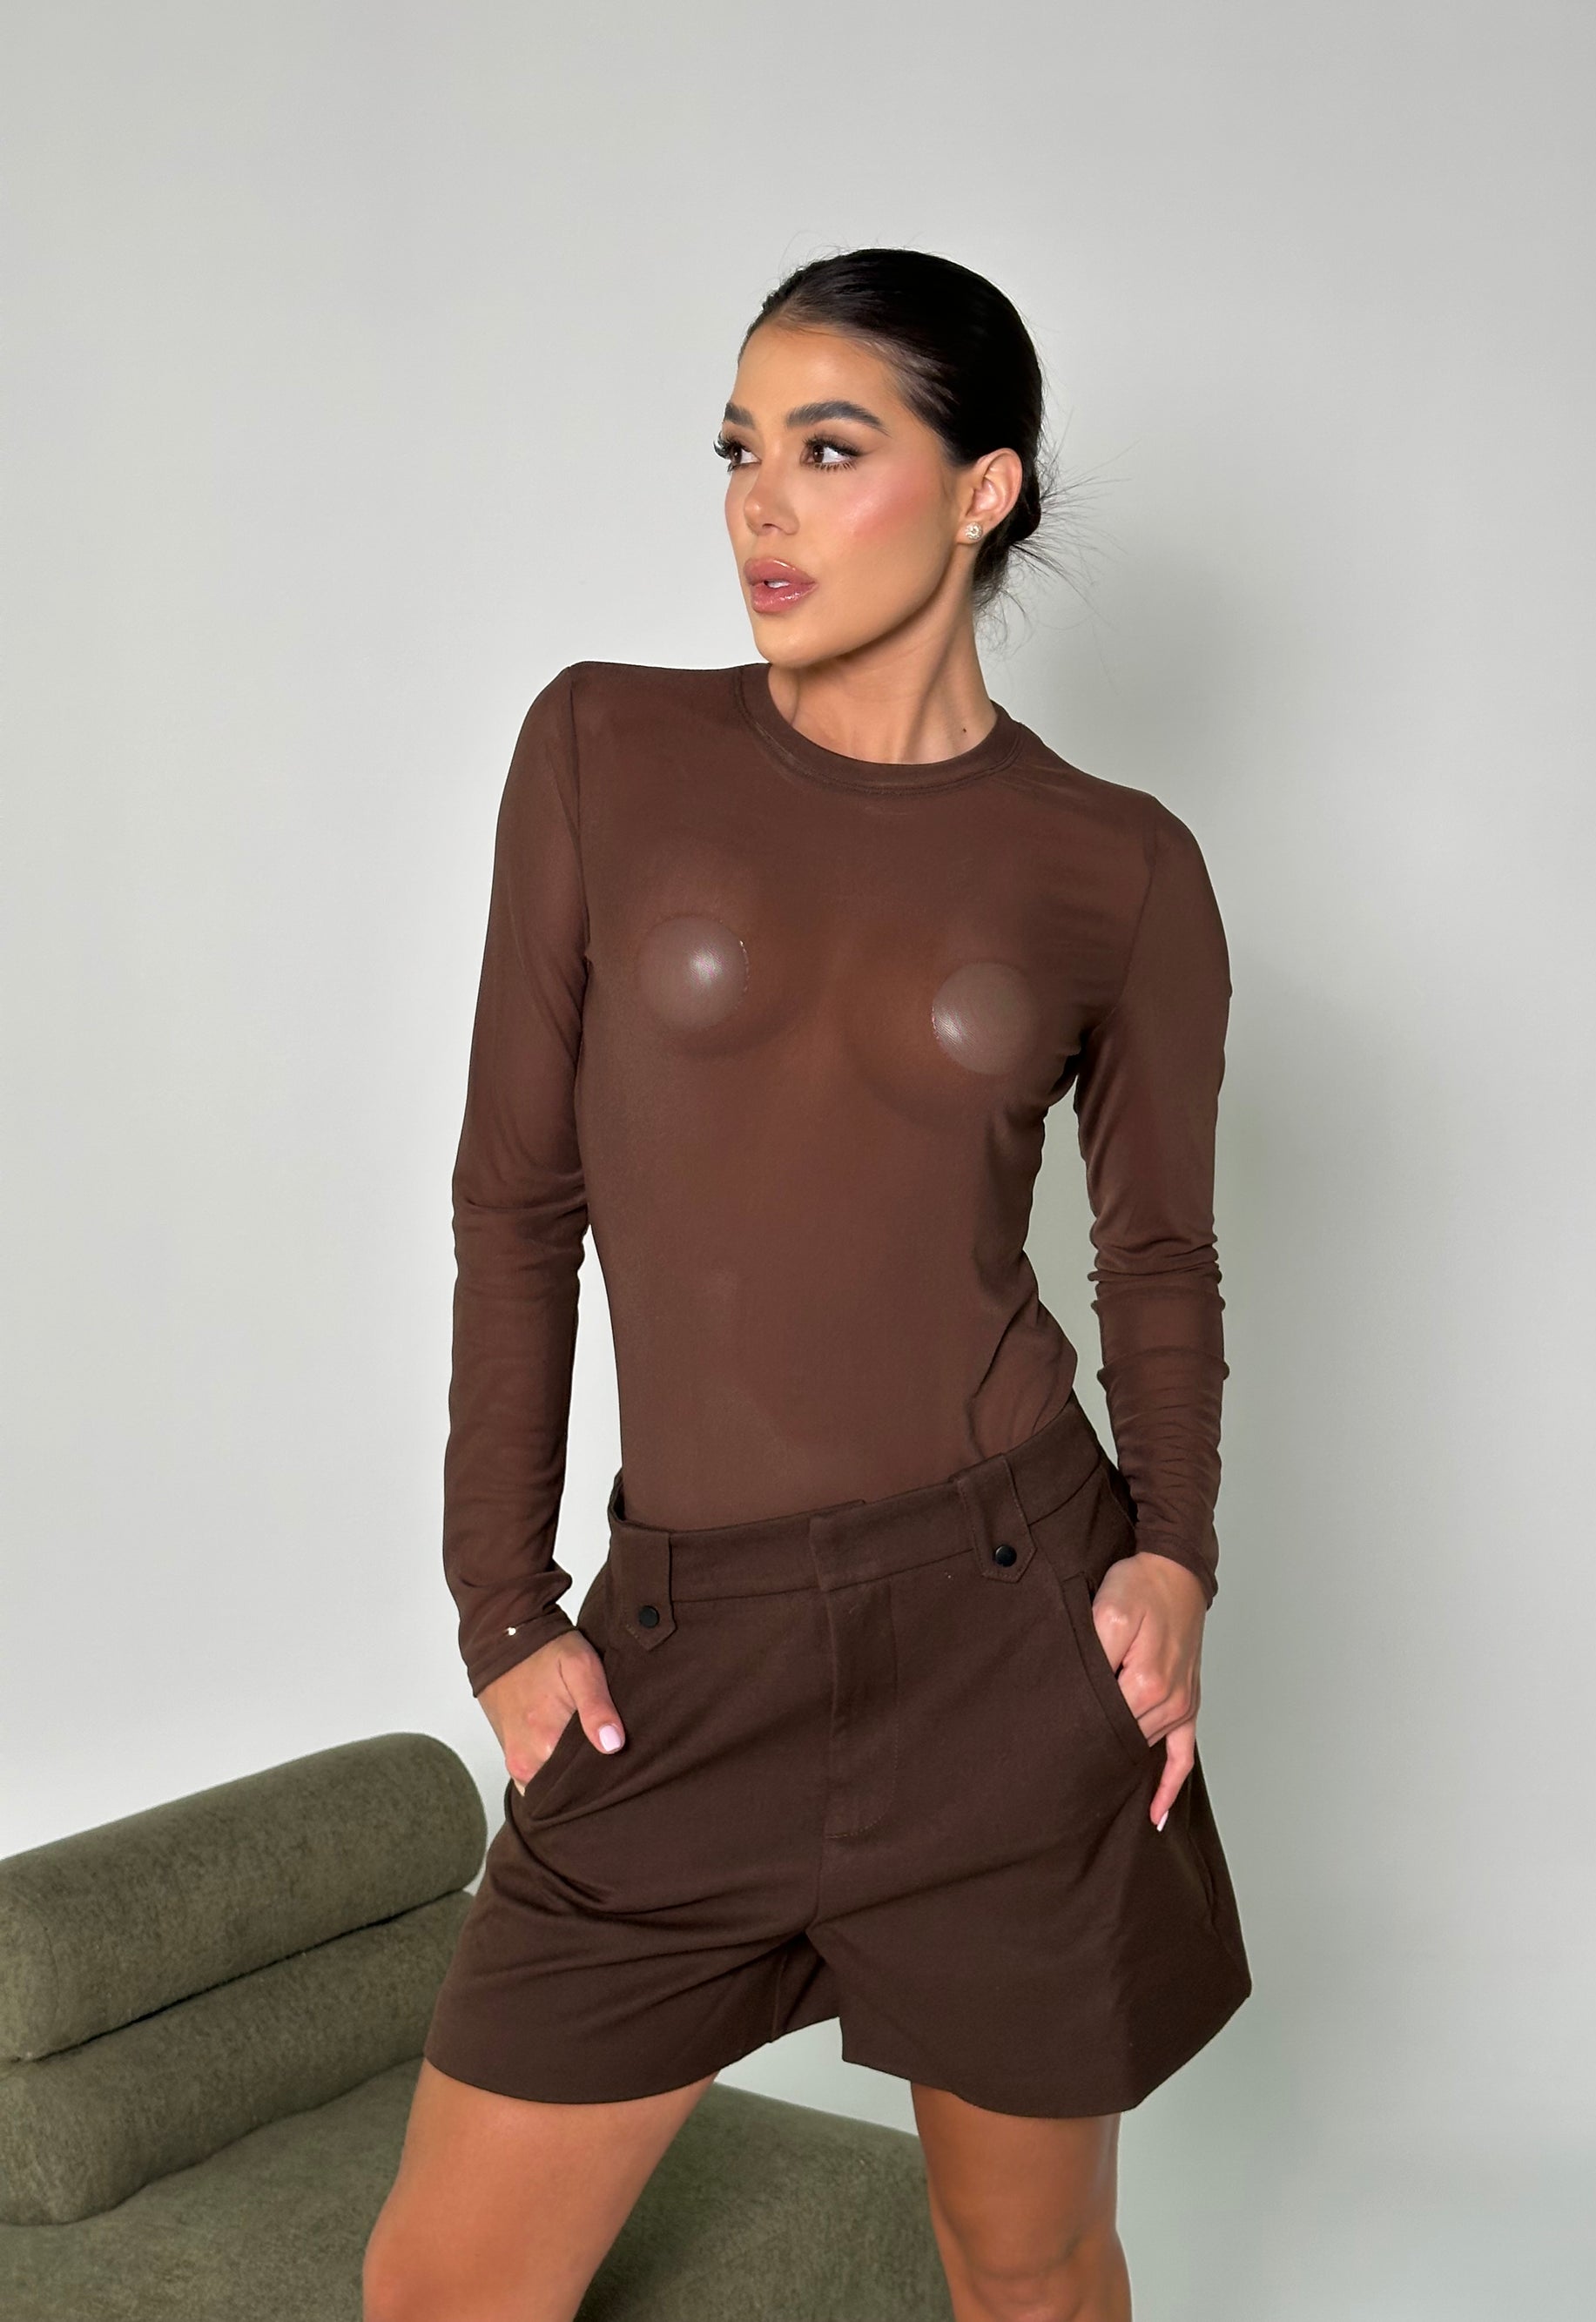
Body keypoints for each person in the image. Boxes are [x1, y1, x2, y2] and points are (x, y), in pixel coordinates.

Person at [363, 246, 1251, 2322]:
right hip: (686, 1651)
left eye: (830, 450)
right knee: (446, 2287)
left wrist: (1175, 1554)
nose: (759, 502)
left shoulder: (1117, 863)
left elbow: (1155, 1254)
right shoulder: (602, 745)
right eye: (738, 449)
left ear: (982, 490)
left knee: (1024, 2269)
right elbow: (517, 1199)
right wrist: (499, 1602)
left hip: (1007, 1636)